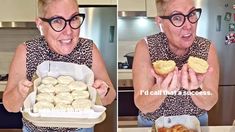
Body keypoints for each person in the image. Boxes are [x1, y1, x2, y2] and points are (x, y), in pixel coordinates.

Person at [3, 0, 116, 131]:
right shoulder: (26, 51)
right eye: (57, 21)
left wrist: (103, 92)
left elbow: (111, 96)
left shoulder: (88, 48)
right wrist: (19, 92)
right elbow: (10, 106)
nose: (68, 31)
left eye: (74, 19)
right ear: (40, 24)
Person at [133, 0, 219, 127]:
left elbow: (209, 103)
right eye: (177, 18)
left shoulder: (206, 47)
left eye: (191, 14)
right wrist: (161, 89)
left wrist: (195, 89)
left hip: (196, 124)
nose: (188, 25)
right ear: (160, 21)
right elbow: (142, 104)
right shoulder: (146, 47)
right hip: (153, 124)